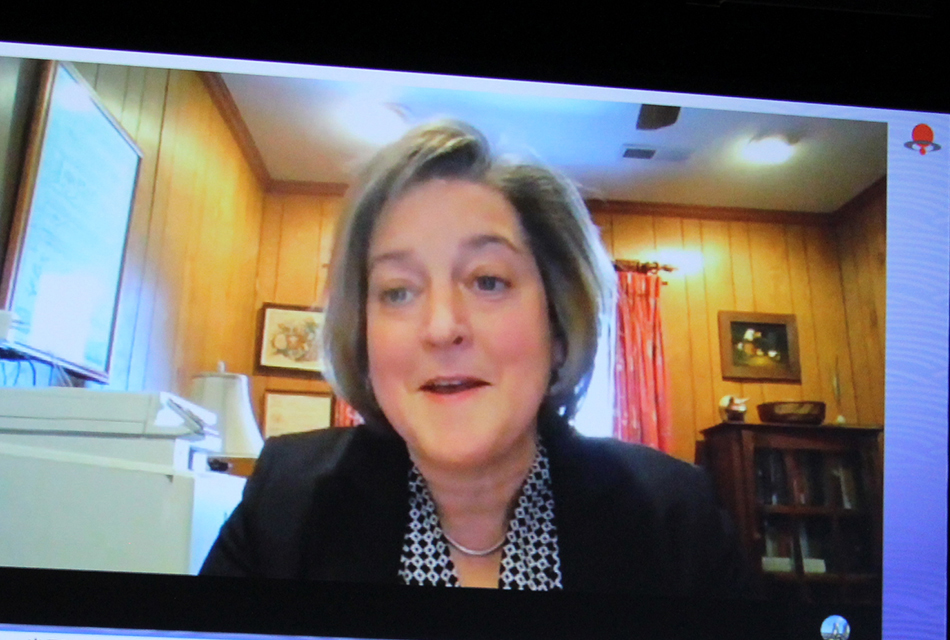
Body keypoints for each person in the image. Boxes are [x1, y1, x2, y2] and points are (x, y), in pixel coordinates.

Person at [200, 121, 751, 595]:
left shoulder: (675, 516)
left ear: (558, 324)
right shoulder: (286, 500)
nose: (442, 328)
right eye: (398, 291)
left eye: (488, 281)